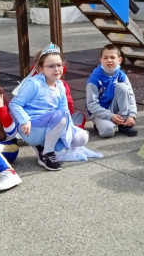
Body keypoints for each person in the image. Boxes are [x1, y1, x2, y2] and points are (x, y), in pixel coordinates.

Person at [10, 43, 89, 171]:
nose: (56, 69)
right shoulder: (34, 83)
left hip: (51, 124)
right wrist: (25, 120)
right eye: (51, 66)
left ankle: (45, 145)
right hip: (32, 129)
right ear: (40, 69)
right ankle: (47, 153)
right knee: (60, 116)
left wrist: (69, 130)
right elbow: (15, 104)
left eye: (59, 65)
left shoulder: (60, 85)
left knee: (81, 137)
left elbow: (64, 110)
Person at [86, 44, 138, 137]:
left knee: (122, 87)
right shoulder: (94, 79)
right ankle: (101, 124)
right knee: (108, 131)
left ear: (119, 60)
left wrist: (132, 115)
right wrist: (110, 116)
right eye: (105, 58)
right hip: (100, 112)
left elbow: (130, 95)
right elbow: (91, 105)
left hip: (115, 107)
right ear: (101, 60)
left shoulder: (121, 75)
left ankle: (124, 122)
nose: (109, 60)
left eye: (112, 57)